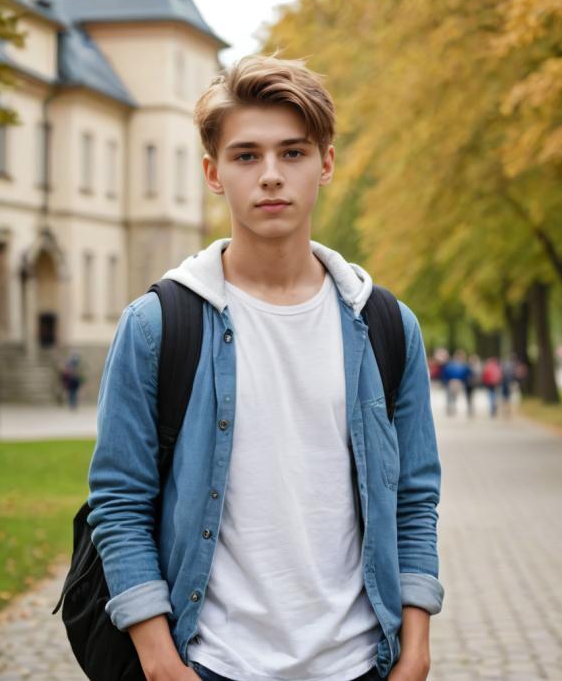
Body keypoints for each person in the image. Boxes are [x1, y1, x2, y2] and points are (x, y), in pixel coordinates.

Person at [86, 56, 443, 681]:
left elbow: (414, 497)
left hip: (361, 663)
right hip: (211, 663)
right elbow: (119, 502)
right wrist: (161, 663)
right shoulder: (156, 325)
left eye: (294, 154)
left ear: (326, 164)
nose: (271, 176)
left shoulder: (386, 324)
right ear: (213, 173)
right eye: (246, 155)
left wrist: (415, 650)